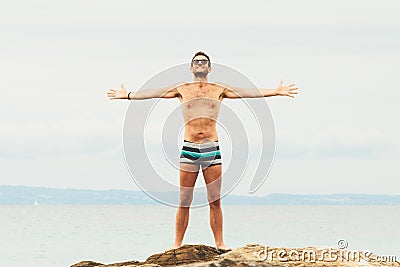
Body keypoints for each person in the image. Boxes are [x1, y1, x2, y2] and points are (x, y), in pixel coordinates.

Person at [107, 51, 298, 252]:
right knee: (184, 199)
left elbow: (247, 92)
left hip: (211, 148)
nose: (200, 64)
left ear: (209, 68)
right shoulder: (182, 89)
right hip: (189, 148)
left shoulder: (218, 89)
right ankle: (177, 244)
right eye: (196, 62)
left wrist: (276, 91)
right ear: (191, 68)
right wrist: (128, 95)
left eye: (203, 62)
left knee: (214, 200)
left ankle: (220, 243)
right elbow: (154, 93)